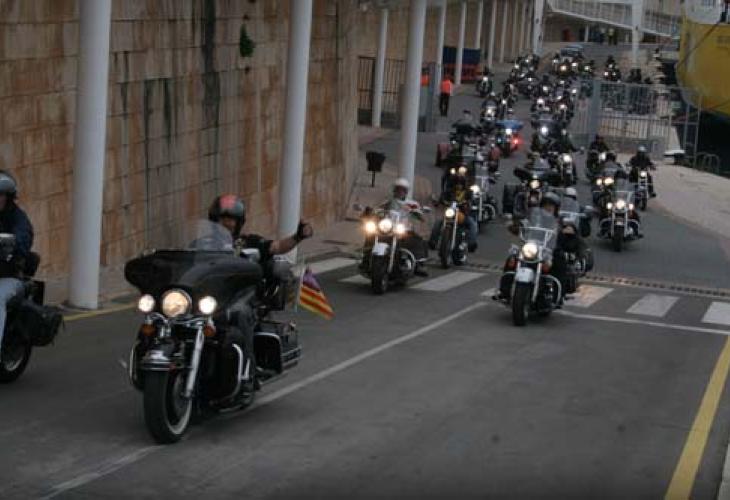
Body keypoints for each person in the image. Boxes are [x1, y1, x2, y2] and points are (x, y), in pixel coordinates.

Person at [208, 194, 313, 370]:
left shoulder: (248, 242)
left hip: (242, 297)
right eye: (222, 219)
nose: (226, 223)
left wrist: (298, 236)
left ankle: (248, 370)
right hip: (212, 296)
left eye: (231, 219)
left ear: (238, 222)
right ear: (214, 220)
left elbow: (277, 247)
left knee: (239, 315)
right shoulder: (203, 243)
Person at [0, 171, 33, 357]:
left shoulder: (18, 218)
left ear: (8, 197)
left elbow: (23, 239)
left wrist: (9, 242)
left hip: (9, 278)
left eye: (0, 195)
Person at [378, 178, 429, 277]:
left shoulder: (412, 203)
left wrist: (417, 212)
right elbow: (378, 209)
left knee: (417, 240)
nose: (399, 192)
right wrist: (371, 211)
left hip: (404, 229)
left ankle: (419, 265)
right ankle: (366, 258)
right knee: (371, 234)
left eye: (402, 190)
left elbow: (420, 215)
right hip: (388, 228)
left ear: (406, 191)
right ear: (394, 190)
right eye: (398, 189)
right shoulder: (388, 201)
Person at [429, 176, 478, 252]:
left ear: (463, 185)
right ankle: (433, 242)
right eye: (457, 184)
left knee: (473, 224)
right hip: (450, 213)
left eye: (460, 184)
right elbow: (442, 198)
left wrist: (468, 204)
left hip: (463, 214)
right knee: (438, 222)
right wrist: (439, 202)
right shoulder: (449, 192)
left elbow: (472, 201)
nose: (458, 185)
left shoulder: (468, 193)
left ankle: (471, 244)